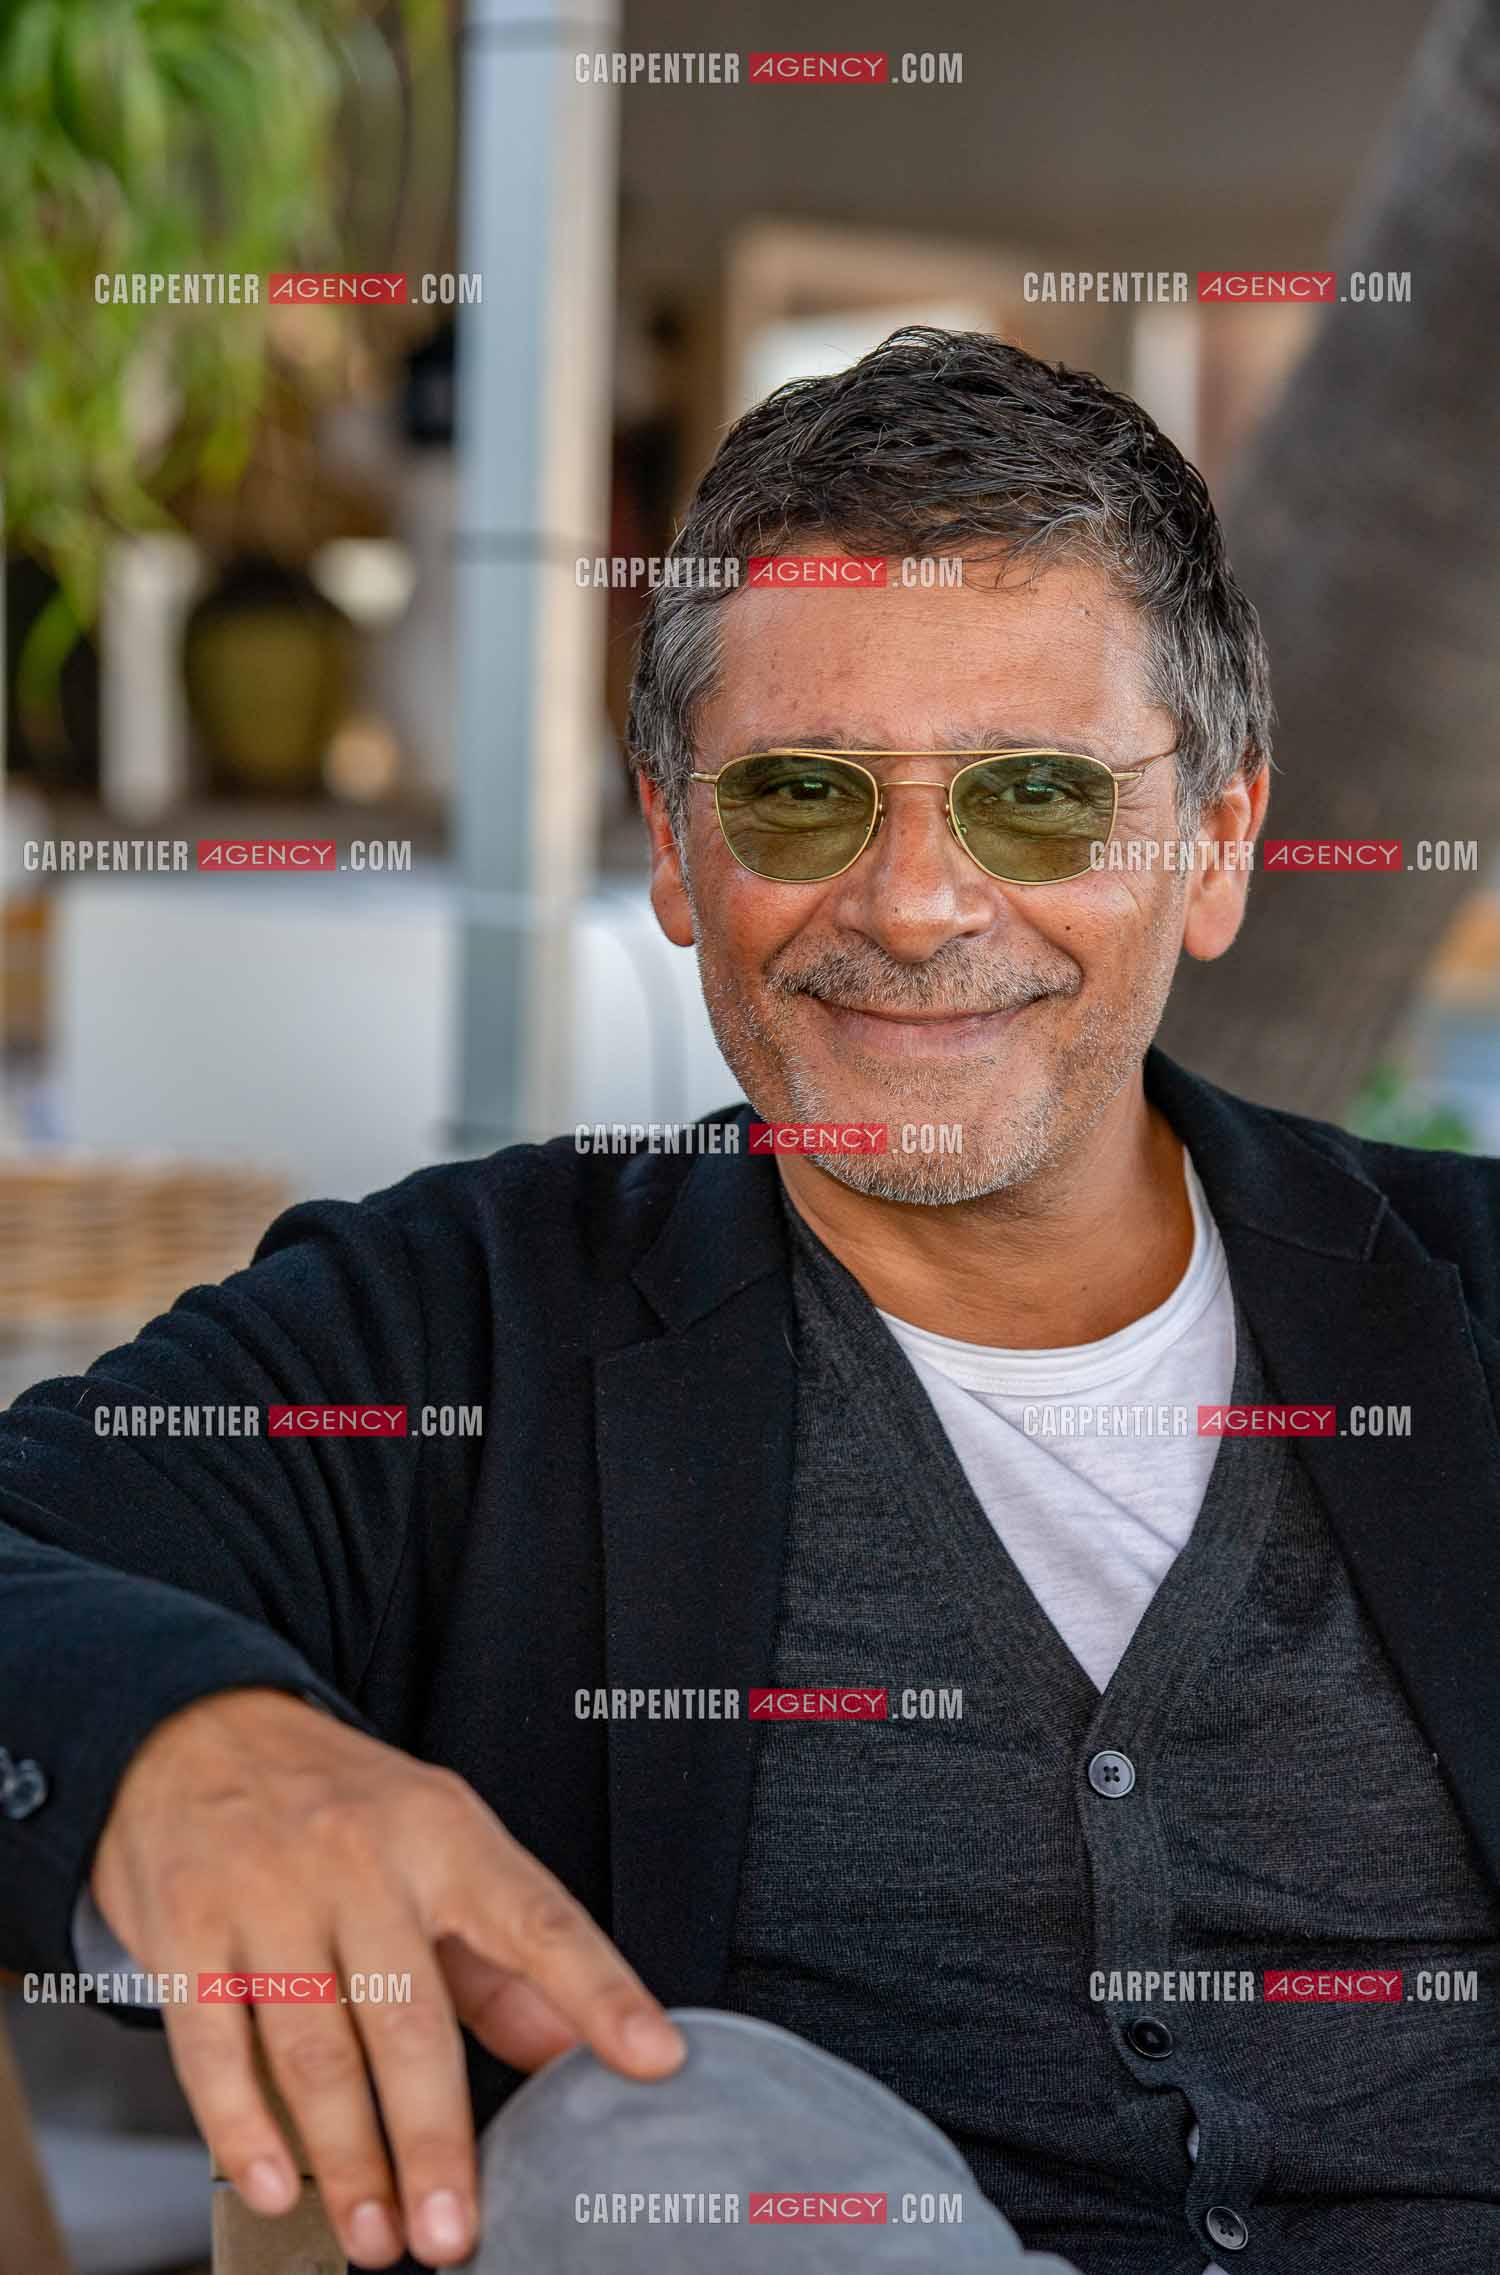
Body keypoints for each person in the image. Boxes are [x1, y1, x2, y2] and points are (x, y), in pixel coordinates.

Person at [3, 327, 1498, 2275]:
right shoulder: (467, 1335)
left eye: (1035, 796)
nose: (916, 903)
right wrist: (183, 1739)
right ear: (679, 850)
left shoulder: (1462, 1307)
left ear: (1213, 845)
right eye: (801, 794)